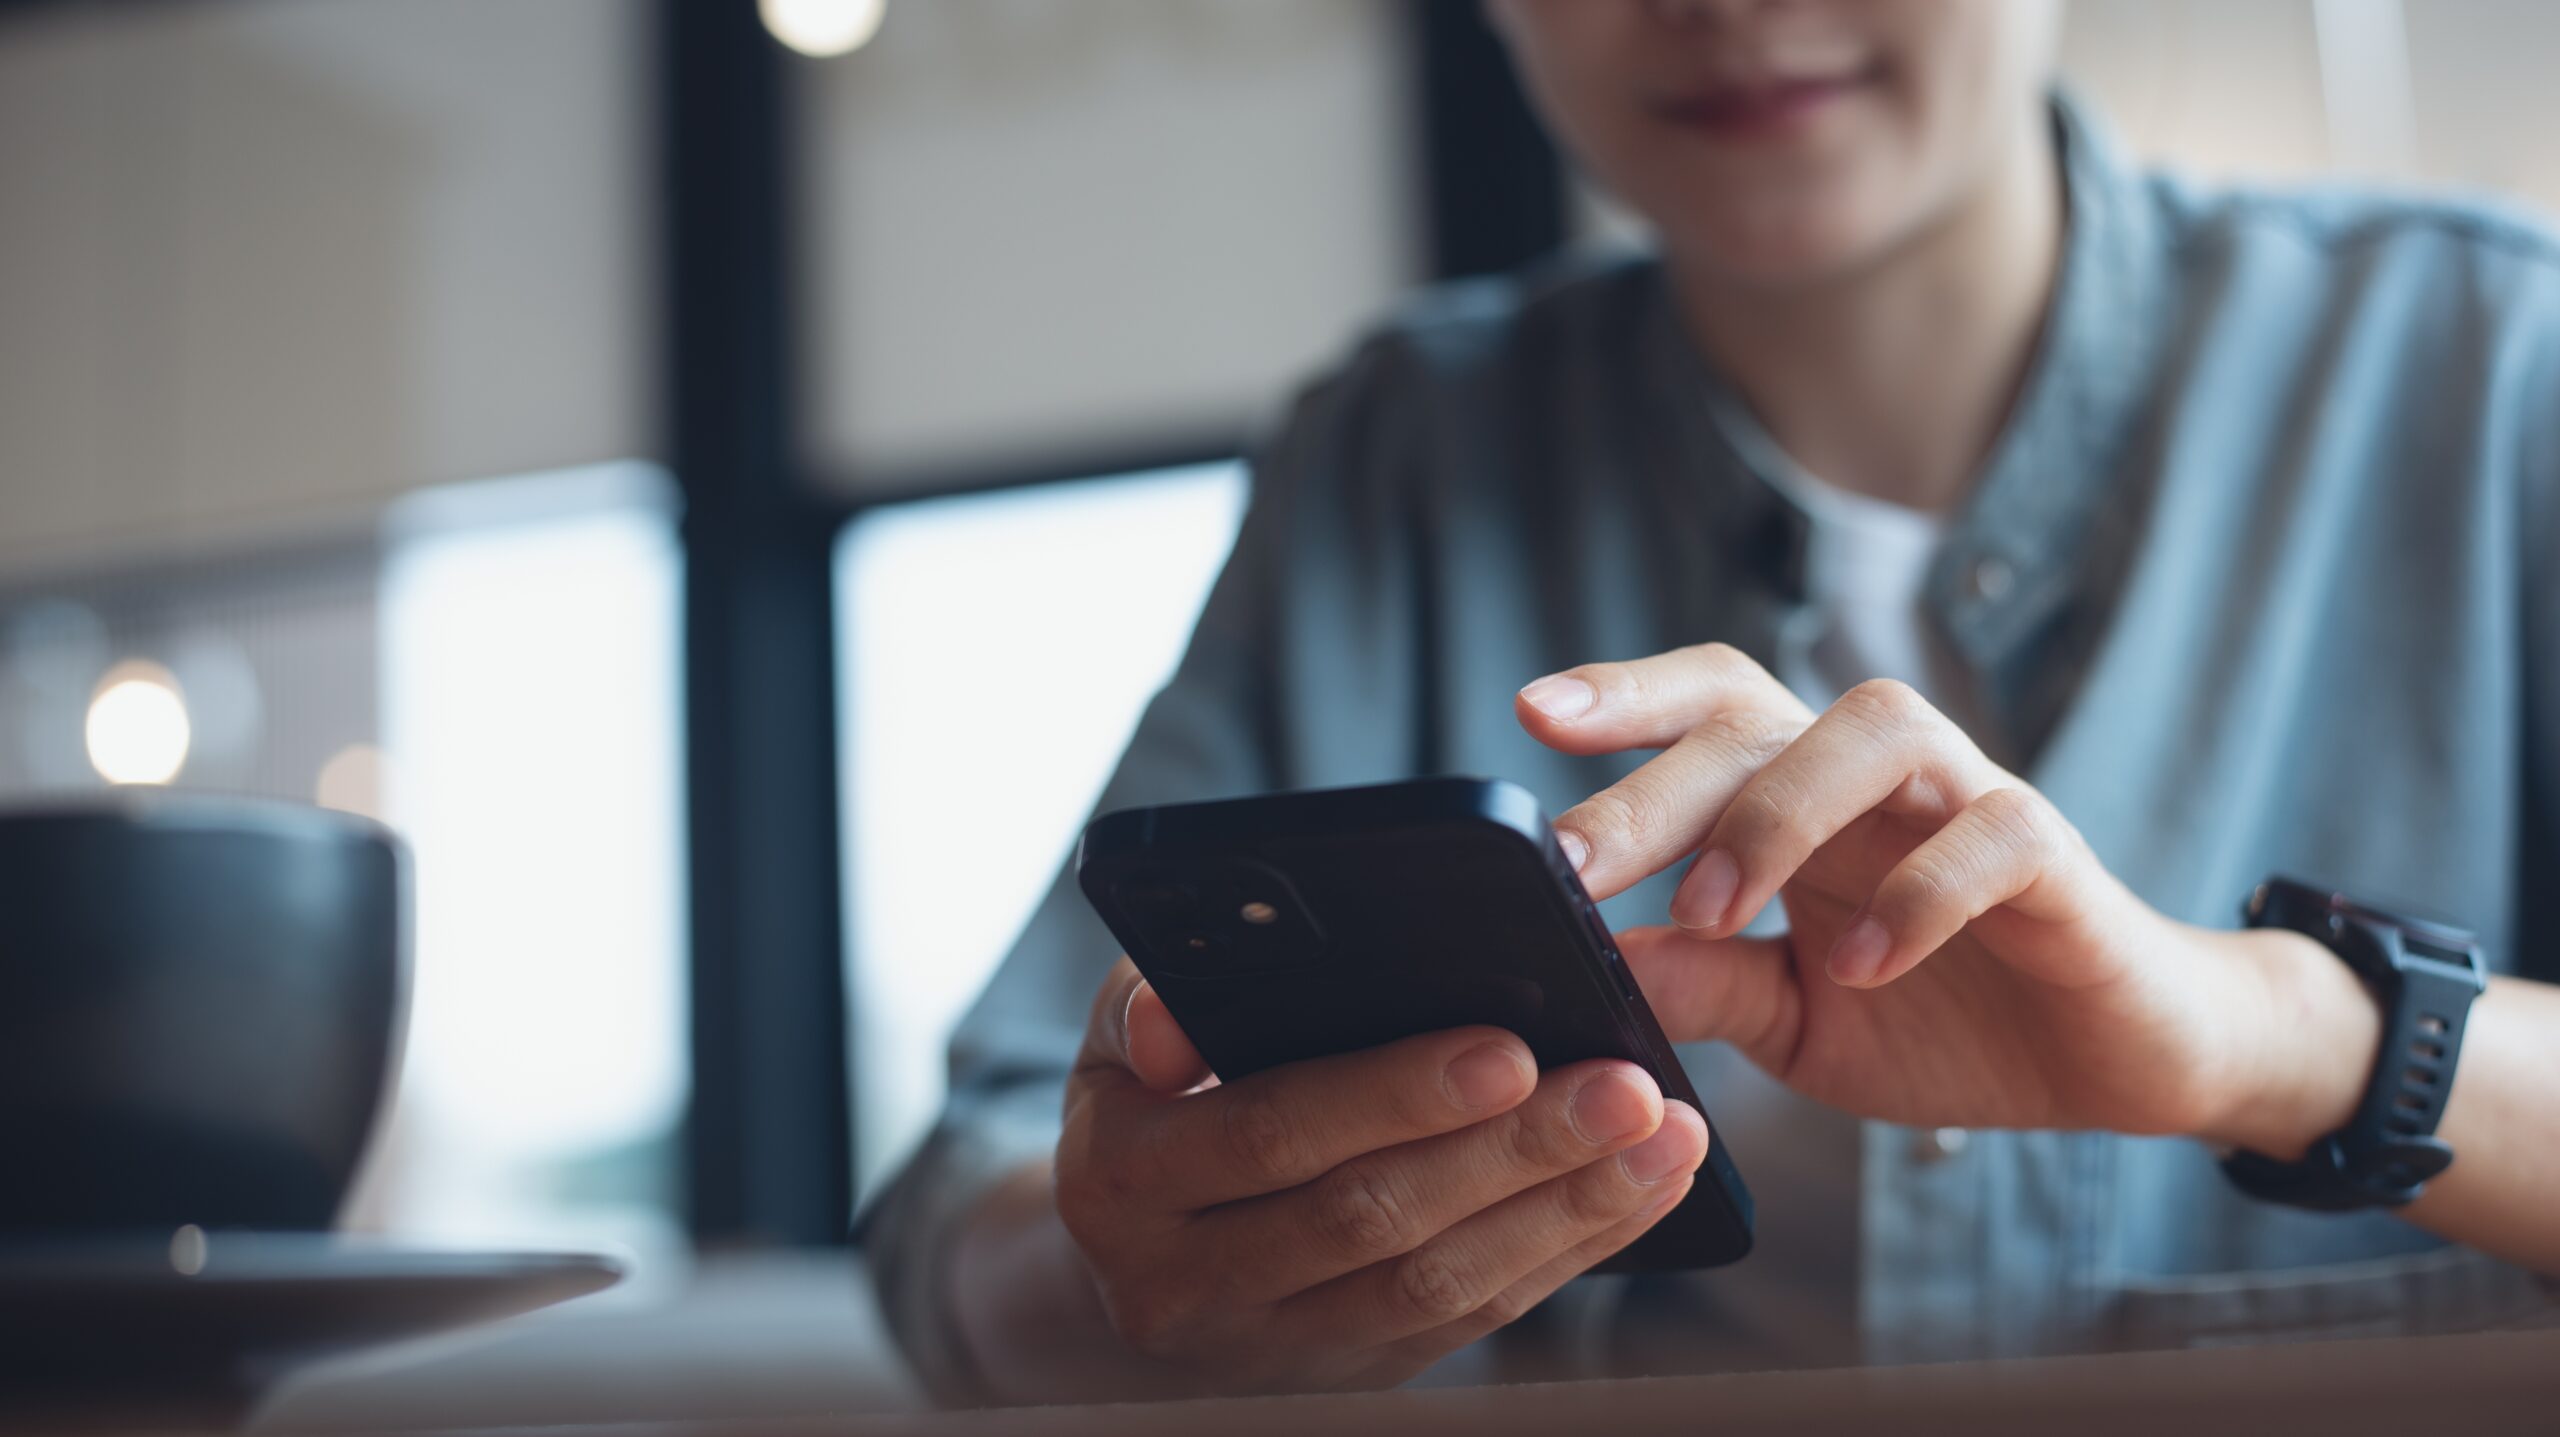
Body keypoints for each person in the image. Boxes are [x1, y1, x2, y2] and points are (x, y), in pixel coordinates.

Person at [861, 0, 2560, 1404]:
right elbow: (968, 1214)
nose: (1722, 6)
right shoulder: (1391, 460)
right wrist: (1140, 1259)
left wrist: (2267, 1034)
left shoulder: (2494, 366)